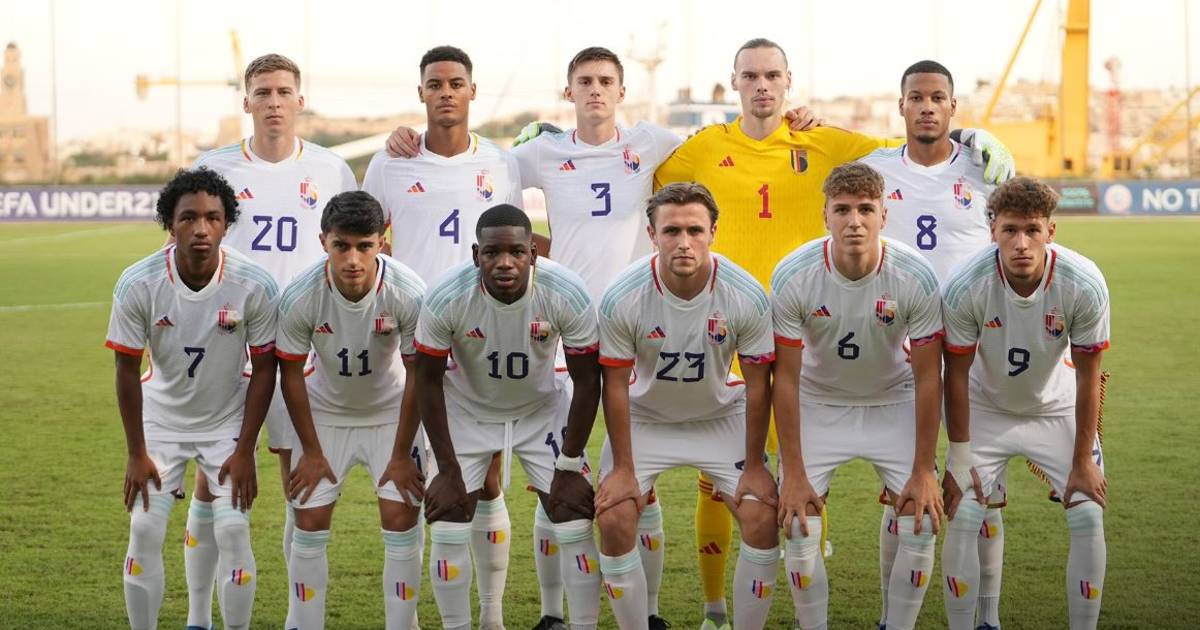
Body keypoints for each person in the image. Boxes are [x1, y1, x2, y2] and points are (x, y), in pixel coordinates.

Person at [653, 39, 1013, 628]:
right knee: (724, 474)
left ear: (788, 81)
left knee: (805, 472)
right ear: (734, 82)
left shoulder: (829, 141)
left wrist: (974, 138)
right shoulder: (703, 147)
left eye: (772, 75)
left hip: (815, 325)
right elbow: (642, 176)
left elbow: (915, 145)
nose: (762, 85)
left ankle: (810, 571)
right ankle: (716, 608)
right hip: (729, 324)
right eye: (751, 75)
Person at [189, 53, 357, 630]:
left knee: (296, 480)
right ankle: (198, 617)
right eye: (263, 92)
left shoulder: (333, 170)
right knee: (212, 479)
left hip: (298, 348)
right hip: (227, 341)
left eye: (284, 91)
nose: (274, 102)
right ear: (247, 102)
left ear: (300, 100)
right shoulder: (213, 168)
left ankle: (295, 617)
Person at [362, 45, 526, 627]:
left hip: (482, 336)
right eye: (436, 84)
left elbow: (514, 245)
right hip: (413, 341)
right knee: (421, 480)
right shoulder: (390, 163)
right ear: (422, 94)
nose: (446, 92)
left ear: (472, 91)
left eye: (456, 83)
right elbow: (364, 237)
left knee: (487, 479)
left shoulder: (502, 163)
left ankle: (491, 615)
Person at [859, 59, 1009, 630]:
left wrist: (978, 139)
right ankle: (890, 618)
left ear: (952, 106)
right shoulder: (873, 169)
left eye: (937, 98)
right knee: (905, 491)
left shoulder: (983, 167)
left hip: (977, 349)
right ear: (900, 105)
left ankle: (987, 618)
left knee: (981, 490)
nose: (926, 106)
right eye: (916, 97)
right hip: (900, 350)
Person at [595, 182, 783, 629]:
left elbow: (759, 385)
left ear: (713, 232)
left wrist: (755, 464)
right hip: (645, 418)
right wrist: (623, 468)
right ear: (652, 234)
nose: (684, 242)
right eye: (671, 231)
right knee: (615, 518)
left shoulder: (745, 294)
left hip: (719, 416)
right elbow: (615, 385)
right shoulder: (623, 295)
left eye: (695, 230)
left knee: (762, 518)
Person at [770, 162, 945, 630]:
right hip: (819, 403)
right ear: (824, 215)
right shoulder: (793, 275)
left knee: (922, 521)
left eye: (866, 209)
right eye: (842, 210)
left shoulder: (915, 275)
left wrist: (924, 469)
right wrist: (793, 472)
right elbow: (784, 378)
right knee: (797, 524)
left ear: (884, 216)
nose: (855, 221)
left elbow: (929, 377)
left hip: (893, 400)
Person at [412, 203, 603, 630]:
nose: (504, 263)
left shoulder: (566, 291)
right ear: (475, 254)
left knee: (573, 517)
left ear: (533, 253)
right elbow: (426, 380)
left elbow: (588, 381)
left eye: (516, 252)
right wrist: (447, 468)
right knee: (448, 519)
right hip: (468, 411)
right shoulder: (445, 296)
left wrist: (570, 464)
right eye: (492, 252)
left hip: (541, 410)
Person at [108, 167, 277, 630]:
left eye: (212, 218)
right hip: (161, 422)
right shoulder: (138, 283)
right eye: (188, 218)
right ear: (170, 223)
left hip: (226, 422)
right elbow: (126, 370)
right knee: (144, 527)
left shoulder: (254, 284)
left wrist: (246, 449)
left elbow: (265, 370)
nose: (201, 229)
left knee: (234, 528)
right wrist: (136, 452)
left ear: (226, 224)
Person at [938, 178, 1109, 630]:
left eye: (1032, 230)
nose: (1021, 243)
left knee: (1088, 513)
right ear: (992, 229)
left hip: (1057, 409)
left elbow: (1089, 375)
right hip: (985, 408)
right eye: (1010, 230)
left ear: (1051, 231)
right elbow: (955, 374)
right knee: (963, 513)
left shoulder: (1084, 282)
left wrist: (1083, 460)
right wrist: (959, 456)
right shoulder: (965, 285)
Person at [275, 191, 426, 629]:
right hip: (325, 415)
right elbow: (290, 375)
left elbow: (419, 375)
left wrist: (402, 454)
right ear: (324, 241)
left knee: (400, 520)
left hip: (392, 414)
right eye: (342, 245)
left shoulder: (408, 291)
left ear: (382, 242)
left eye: (365, 246)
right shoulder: (301, 295)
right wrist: (311, 451)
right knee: (309, 520)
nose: (353, 259)